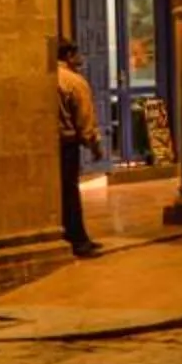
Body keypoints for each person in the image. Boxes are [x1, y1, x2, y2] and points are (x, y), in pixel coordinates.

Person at [53, 39, 103, 257]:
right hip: (66, 144)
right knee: (70, 192)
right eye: (78, 54)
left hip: (49, 145)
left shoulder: (45, 78)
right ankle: (78, 240)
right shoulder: (74, 81)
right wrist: (94, 144)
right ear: (69, 55)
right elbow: (84, 118)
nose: (81, 58)